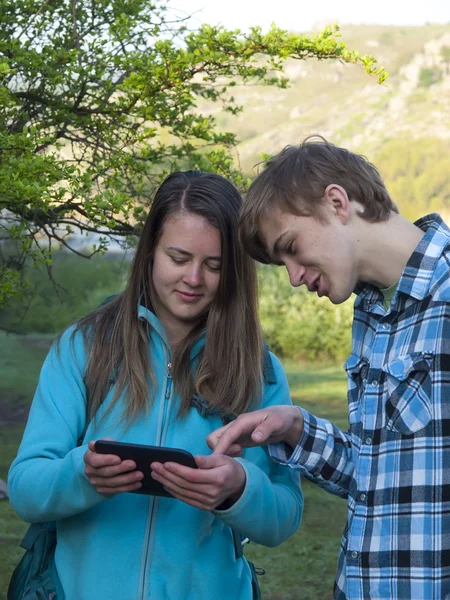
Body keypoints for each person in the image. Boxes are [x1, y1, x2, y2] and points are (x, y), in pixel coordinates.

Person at [8, 171, 303, 600]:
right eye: (178, 258)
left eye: (214, 265)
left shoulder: (260, 370)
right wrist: (82, 475)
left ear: (236, 271)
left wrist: (239, 488)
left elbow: (285, 515)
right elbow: (25, 490)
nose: (194, 279)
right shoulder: (82, 348)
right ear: (149, 253)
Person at [208, 137, 450, 600]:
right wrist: (294, 429)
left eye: (292, 247)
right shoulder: (373, 313)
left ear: (337, 202)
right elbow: (384, 479)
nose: (294, 276)